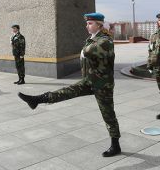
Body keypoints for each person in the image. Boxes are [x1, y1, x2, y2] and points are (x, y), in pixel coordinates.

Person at [18, 12, 121, 157]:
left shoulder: (105, 40)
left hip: (103, 85)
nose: (87, 25)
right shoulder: (92, 39)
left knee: (108, 114)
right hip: (89, 80)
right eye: (86, 23)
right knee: (67, 91)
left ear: (99, 25)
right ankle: (37, 100)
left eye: (90, 23)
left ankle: (115, 146)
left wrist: (90, 45)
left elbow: (89, 51)